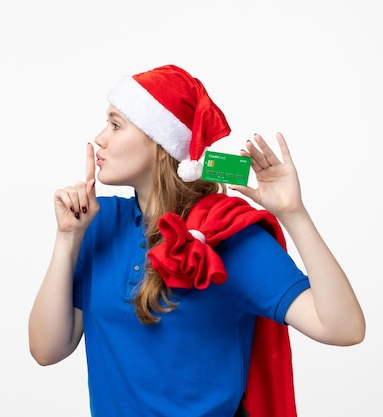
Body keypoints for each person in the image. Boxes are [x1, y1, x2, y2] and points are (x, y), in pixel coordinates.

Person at [28, 64, 365, 417]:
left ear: (161, 145)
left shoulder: (227, 234)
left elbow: (343, 328)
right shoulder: (98, 223)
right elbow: (46, 350)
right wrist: (68, 238)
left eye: (115, 124)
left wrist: (294, 214)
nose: (100, 137)